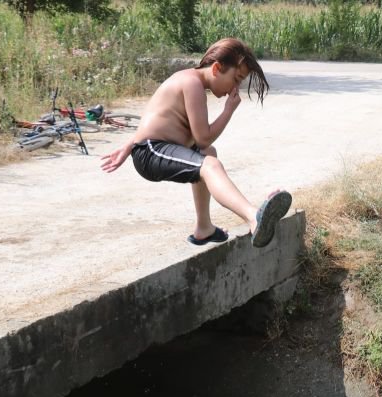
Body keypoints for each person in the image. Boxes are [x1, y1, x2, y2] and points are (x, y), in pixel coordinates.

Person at [100, 38, 291, 248]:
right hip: (151, 151)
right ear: (216, 68)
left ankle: (204, 228)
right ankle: (253, 217)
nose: (235, 88)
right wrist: (228, 110)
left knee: (209, 153)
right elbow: (202, 137)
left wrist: (129, 144)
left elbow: (158, 116)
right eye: (236, 79)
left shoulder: (190, 80)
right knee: (210, 165)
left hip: (155, 147)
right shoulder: (192, 83)